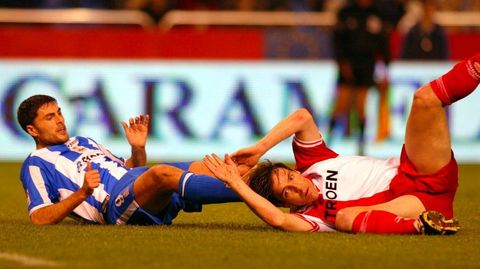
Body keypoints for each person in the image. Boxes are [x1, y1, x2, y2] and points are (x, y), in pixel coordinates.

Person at [203, 53, 480, 235]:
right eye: (287, 193)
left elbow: (302, 118)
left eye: (290, 177)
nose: (296, 186)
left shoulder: (313, 163)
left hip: (416, 170)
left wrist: (260, 148)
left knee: (425, 99)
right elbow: (278, 221)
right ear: (285, 204)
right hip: (413, 205)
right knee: (345, 218)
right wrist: (237, 185)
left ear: (295, 170)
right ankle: (426, 226)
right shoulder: (311, 218)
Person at [17, 95, 240, 225]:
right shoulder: (36, 163)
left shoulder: (83, 140)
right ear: (32, 129)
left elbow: (131, 169)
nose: (60, 120)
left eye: (59, 112)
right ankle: (249, 191)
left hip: (133, 184)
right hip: (114, 205)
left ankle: (269, 185)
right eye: (49, 117)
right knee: (161, 173)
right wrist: (82, 193)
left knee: (209, 166)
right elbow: (39, 216)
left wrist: (138, 148)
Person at [329, 0, 390, 154]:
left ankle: (361, 146)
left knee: (362, 106)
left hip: (367, 66)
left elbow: (383, 43)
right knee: (341, 104)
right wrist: (342, 63)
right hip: (348, 65)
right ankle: (327, 142)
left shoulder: (378, 13)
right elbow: (337, 41)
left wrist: (384, 68)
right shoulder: (346, 12)